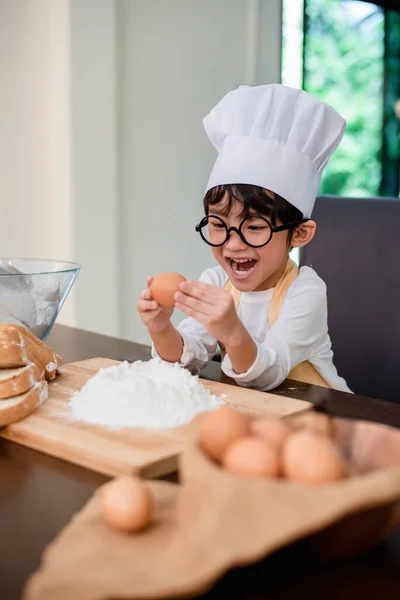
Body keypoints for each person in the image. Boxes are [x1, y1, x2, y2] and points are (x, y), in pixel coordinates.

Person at [137, 84, 351, 392]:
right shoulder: (215, 280)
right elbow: (187, 362)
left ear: (299, 233)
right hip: (256, 417)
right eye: (218, 225)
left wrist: (233, 331)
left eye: (254, 227)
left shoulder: (305, 293)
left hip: (321, 416)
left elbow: (269, 374)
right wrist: (160, 329)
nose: (233, 244)